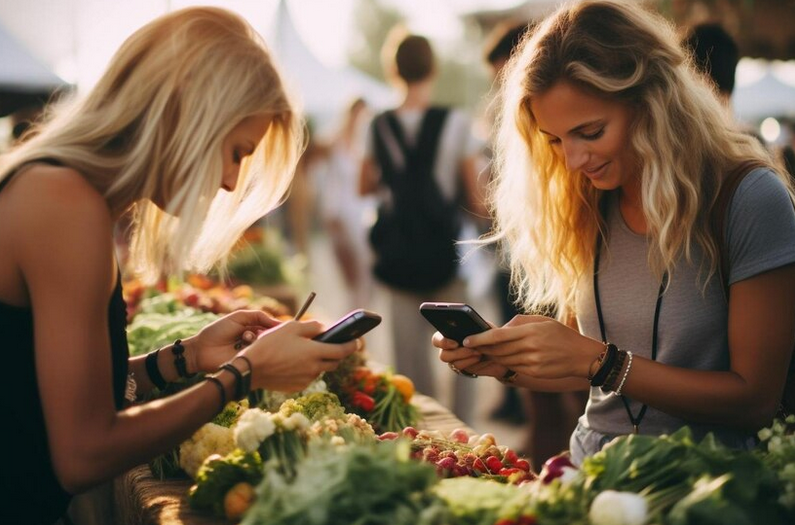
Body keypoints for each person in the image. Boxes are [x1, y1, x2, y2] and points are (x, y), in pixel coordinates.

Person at [0, 8, 358, 524]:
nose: (232, 182)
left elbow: (45, 391)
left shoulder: (68, 195)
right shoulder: (65, 204)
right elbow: (83, 454)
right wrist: (244, 373)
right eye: (236, 152)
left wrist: (184, 358)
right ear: (189, 117)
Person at [436, 0, 795, 466]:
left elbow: (754, 400)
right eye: (555, 140)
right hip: (594, 476)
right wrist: (506, 363)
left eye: (591, 131)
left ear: (653, 103)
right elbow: (584, 370)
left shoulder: (747, 198)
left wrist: (601, 362)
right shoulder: (587, 200)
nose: (572, 161)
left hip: (709, 489)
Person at [360, 29, 486, 425]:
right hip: (447, 253)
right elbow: (475, 199)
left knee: (408, 357)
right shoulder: (456, 123)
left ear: (392, 70)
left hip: (398, 256)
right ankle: (462, 428)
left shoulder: (378, 125)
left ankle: (419, 430)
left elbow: (363, 186)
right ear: (432, 68)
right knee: (465, 345)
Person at [481, 20, 587, 467]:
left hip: (553, 275)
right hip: (525, 269)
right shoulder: (531, 142)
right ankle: (548, 462)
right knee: (539, 398)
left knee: (579, 393)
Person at [315, 97, 375, 310]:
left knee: (365, 277)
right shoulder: (335, 143)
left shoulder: (368, 146)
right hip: (341, 215)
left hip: (364, 217)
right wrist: (331, 215)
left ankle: (362, 322)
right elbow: (328, 183)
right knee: (351, 278)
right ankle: (352, 319)